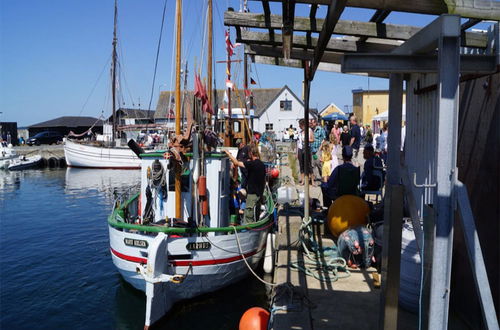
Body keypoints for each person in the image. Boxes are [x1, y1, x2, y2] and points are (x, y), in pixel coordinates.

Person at [224, 144, 266, 224]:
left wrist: (228, 154)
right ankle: (255, 232)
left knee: (248, 217)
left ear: (250, 153)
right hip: (259, 195)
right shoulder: (262, 165)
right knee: (255, 216)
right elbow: (263, 182)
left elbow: (236, 162)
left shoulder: (252, 164)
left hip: (252, 195)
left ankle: (249, 232)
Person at [297, 119, 314, 185]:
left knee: (309, 165)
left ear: (303, 125)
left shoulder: (309, 130)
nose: (299, 126)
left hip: (307, 148)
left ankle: (312, 181)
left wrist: (307, 140)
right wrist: (297, 152)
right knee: (301, 165)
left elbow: (313, 139)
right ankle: (303, 180)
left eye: (300, 125)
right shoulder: (300, 132)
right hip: (300, 149)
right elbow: (298, 142)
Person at [310, 117, 326, 184]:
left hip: (318, 150)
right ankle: (313, 179)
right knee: (312, 165)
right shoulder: (310, 130)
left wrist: (321, 147)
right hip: (312, 150)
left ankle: (323, 178)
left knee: (319, 164)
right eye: (311, 123)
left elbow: (324, 139)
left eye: (312, 123)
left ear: (316, 123)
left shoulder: (320, 129)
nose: (311, 124)